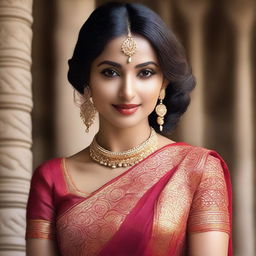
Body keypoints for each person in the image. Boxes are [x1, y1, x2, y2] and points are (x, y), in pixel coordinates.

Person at [26, 2, 232, 256]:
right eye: (110, 72)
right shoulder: (51, 179)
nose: (127, 91)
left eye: (145, 73)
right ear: (87, 79)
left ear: (163, 82)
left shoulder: (197, 169)